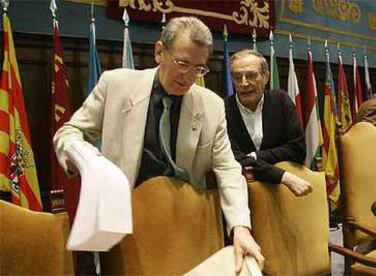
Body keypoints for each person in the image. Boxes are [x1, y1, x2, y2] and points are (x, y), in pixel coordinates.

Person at [53, 17, 263, 273]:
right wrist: (87, 158)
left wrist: (240, 227)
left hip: (183, 224)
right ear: (159, 52)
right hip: (124, 223)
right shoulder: (116, 84)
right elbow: (69, 132)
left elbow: (228, 169)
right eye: (182, 63)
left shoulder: (212, 105)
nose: (188, 77)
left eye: (199, 68)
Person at [225, 49, 312, 197]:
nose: (244, 83)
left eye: (251, 75)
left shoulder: (281, 101)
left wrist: (255, 157)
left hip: (284, 194)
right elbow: (232, 159)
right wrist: (283, 176)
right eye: (237, 77)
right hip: (241, 196)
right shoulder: (223, 109)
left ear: (266, 77)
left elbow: (297, 150)